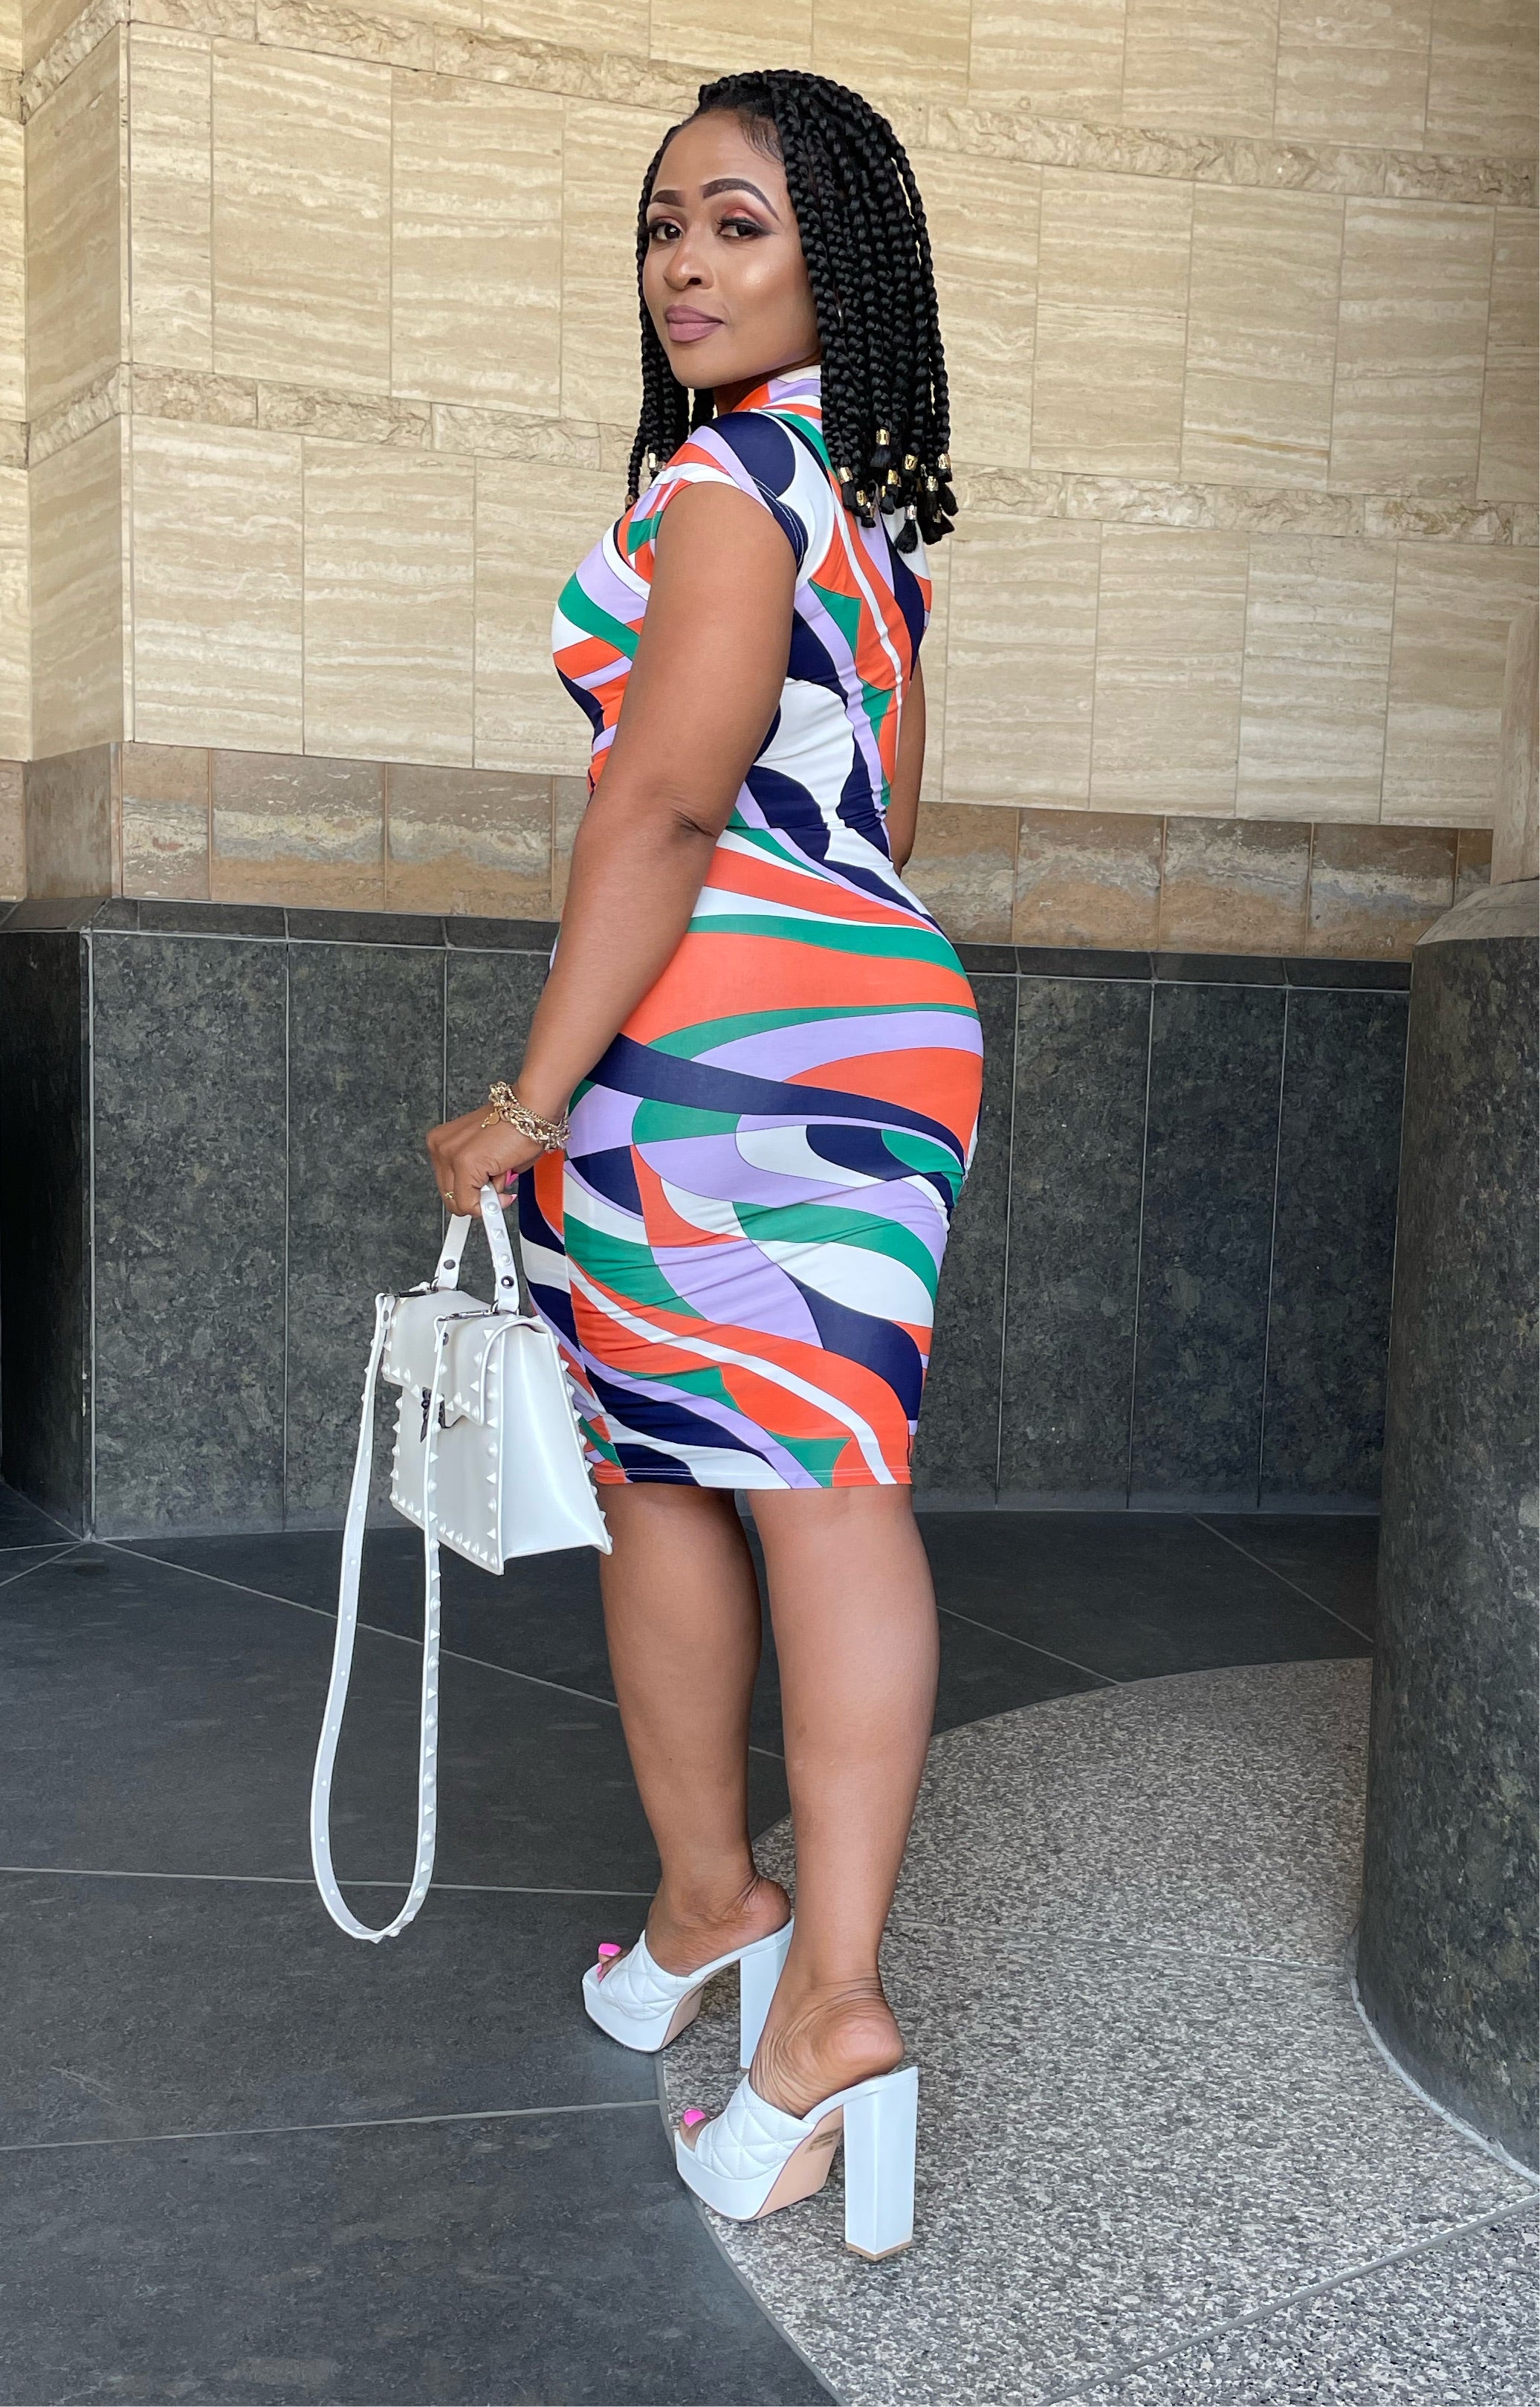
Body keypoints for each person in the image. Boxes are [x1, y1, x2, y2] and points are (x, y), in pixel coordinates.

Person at [427, 68, 982, 2254]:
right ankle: (721, 1915)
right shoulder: (866, 507)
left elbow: (659, 808)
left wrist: (531, 1098)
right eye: (666, 225)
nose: (685, 264)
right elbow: (885, 822)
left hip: (719, 1049)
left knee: (756, 1486)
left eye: (739, 224)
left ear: (841, 258)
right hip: (858, 1030)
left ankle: (814, 1996)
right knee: (723, 1471)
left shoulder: (735, 481)